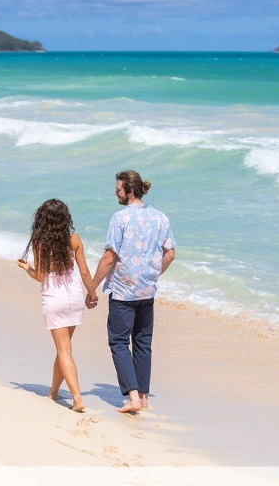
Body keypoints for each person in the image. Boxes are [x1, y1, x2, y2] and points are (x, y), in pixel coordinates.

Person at [88, 170, 176, 413]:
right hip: (147, 291)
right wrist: (152, 274)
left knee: (118, 341)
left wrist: (91, 287)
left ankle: (133, 397)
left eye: (118, 189)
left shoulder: (120, 218)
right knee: (142, 343)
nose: (115, 193)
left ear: (130, 191)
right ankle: (144, 398)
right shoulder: (160, 218)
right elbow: (170, 254)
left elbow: (109, 257)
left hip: (123, 292)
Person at [17, 199, 97, 413]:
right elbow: (85, 272)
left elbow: (40, 276)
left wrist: (26, 268)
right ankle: (53, 392)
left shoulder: (40, 243)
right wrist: (92, 293)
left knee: (64, 349)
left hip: (54, 299)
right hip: (74, 298)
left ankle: (77, 399)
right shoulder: (74, 239)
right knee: (64, 349)